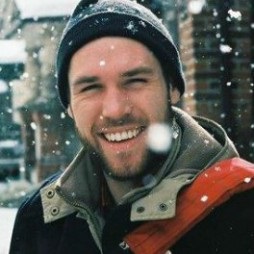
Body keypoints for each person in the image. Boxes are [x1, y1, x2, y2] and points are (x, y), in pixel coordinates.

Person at [10, 0, 254, 253]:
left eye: (135, 81)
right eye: (90, 88)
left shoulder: (243, 211)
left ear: (172, 88)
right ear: (69, 106)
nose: (115, 110)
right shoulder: (40, 219)